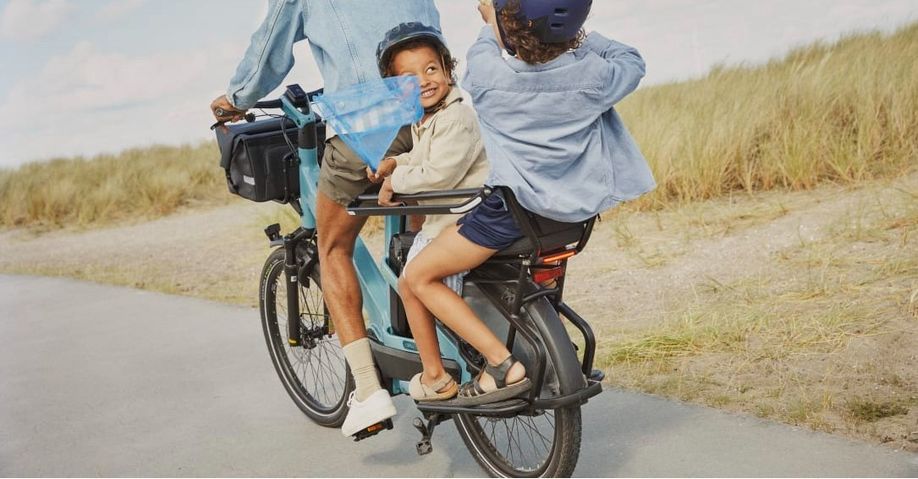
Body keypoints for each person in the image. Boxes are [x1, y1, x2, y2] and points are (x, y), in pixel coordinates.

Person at [400, 0, 656, 405]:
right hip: (570, 218)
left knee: (417, 276)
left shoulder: (486, 77)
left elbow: (488, 42)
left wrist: (493, 21)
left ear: (508, 23)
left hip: (514, 217)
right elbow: (631, 60)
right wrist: (578, 38)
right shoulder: (596, 77)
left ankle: (500, 364)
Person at [209, 0, 441, 437]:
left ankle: (370, 391)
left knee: (332, 246)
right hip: (434, 119)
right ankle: (425, 314)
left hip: (368, 124)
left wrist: (237, 99)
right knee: (421, 225)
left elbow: (268, 52)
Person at [369, 23, 490, 401]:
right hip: (447, 219)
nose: (423, 81)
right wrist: (394, 162)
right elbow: (424, 156)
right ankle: (439, 365)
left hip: (459, 222)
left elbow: (437, 174)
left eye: (431, 69)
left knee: (411, 283)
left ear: (447, 70)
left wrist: (395, 180)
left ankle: (435, 374)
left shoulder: (457, 117)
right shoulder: (429, 121)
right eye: (408, 78)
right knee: (412, 280)